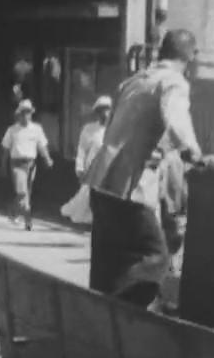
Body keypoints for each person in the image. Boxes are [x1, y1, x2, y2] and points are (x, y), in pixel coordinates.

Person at [86, 30, 203, 305]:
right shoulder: (173, 82)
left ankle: (99, 320)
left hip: (101, 182)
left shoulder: (134, 80)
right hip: (129, 187)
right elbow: (176, 120)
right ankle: (128, 319)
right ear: (190, 56)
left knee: (107, 263)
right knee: (156, 259)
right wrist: (195, 154)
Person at [1, 100, 54, 231]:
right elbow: (6, 149)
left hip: (31, 164)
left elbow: (42, 146)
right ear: (18, 115)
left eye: (28, 113)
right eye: (23, 113)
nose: (25, 116)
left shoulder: (37, 129)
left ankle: (19, 214)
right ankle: (24, 216)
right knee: (22, 192)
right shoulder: (12, 130)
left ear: (31, 114)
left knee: (27, 193)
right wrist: (3, 165)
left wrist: (47, 158)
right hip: (17, 164)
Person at [61, 95, 112, 226]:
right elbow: (82, 149)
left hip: (109, 167)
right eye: (102, 110)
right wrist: (80, 167)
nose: (105, 113)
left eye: (108, 109)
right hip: (92, 168)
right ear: (97, 112)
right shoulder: (89, 129)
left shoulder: (115, 128)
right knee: (90, 196)